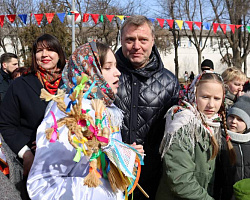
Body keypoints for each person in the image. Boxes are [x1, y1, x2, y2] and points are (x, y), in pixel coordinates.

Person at [27, 41, 144, 199]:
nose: (118, 73)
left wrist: (123, 154)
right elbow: (44, 182)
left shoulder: (105, 108)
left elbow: (96, 154)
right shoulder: (71, 111)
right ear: (89, 72)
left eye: (115, 66)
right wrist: (99, 193)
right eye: (108, 67)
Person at [114, 15, 180, 199]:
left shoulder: (170, 82)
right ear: (121, 41)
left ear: (152, 41)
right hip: (110, 171)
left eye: (143, 40)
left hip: (151, 176)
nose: (136, 46)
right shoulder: (108, 76)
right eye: (130, 40)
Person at [0, 33, 66, 177]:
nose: (44, 54)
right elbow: (6, 124)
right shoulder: (20, 85)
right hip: (33, 164)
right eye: (39, 51)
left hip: (68, 163)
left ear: (59, 54)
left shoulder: (71, 83)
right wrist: (26, 154)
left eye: (50, 49)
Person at [156, 72, 225, 200]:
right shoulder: (182, 123)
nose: (211, 105)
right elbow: (180, 179)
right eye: (205, 97)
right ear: (193, 94)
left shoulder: (213, 123)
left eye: (217, 98)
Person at [214, 95, 250, 200]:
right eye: (232, 117)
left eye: (240, 119)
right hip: (226, 195)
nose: (234, 121)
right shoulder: (220, 139)